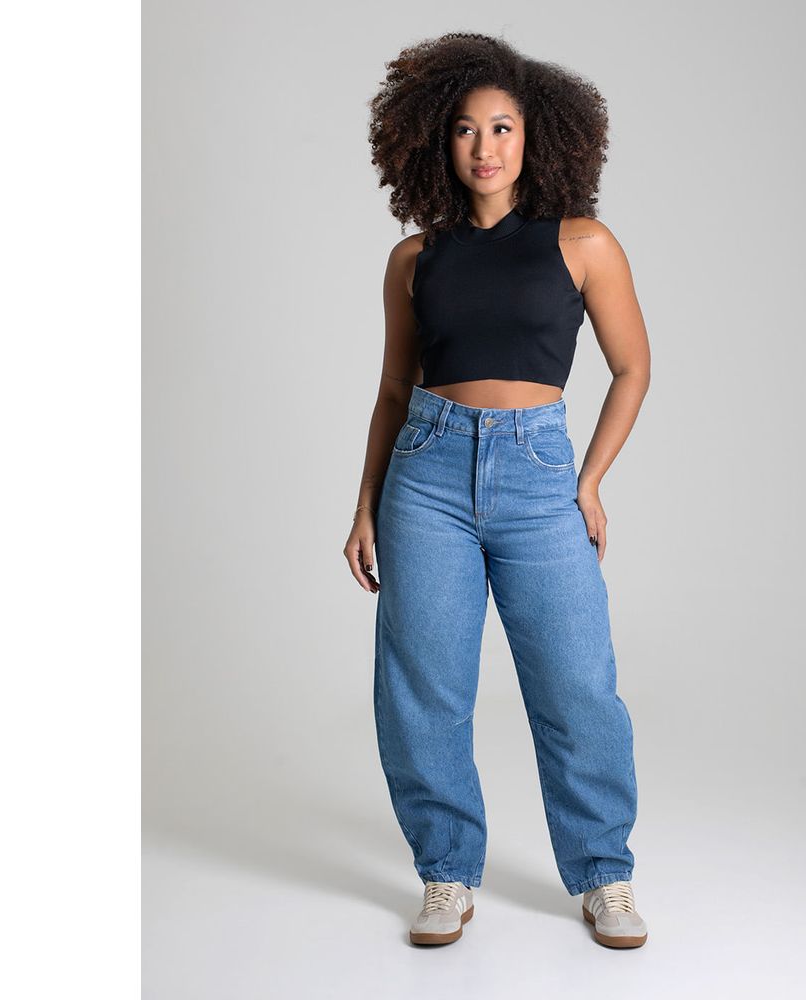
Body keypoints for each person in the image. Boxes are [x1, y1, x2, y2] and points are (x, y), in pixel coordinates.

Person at [345, 33, 651, 949]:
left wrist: (588, 480)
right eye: (467, 129)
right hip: (426, 474)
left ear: (535, 135)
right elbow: (393, 388)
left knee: (577, 683)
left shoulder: (582, 243)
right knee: (423, 688)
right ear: (438, 141)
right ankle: (446, 872)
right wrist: (365, 503)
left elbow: (632, 369)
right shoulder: (413, 258)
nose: (486, 146)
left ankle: (604, 874)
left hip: (538, 472)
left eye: (504, 127)